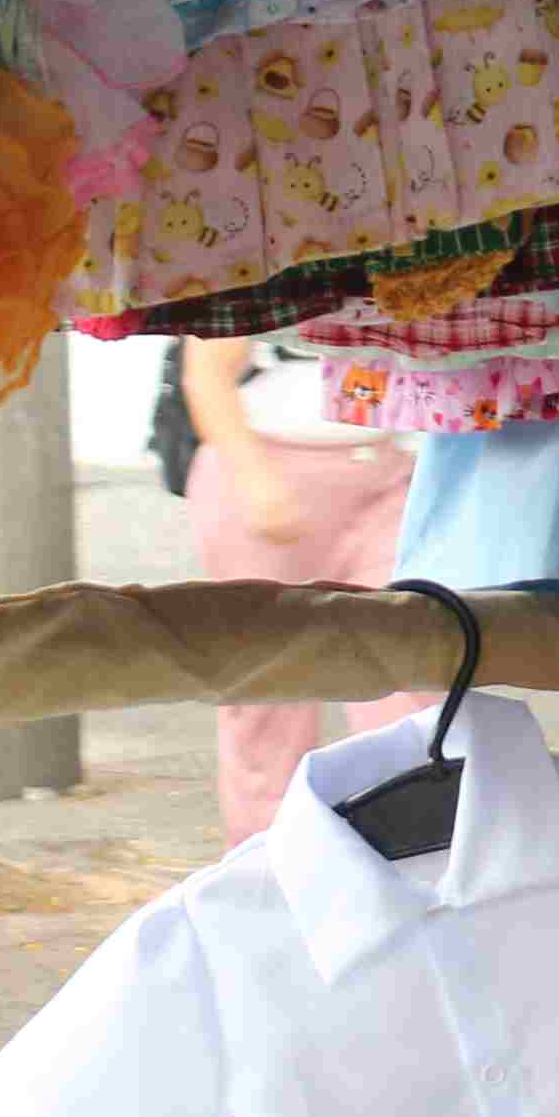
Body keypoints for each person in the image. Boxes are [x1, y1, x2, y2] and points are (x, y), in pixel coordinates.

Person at [175, 334, 427, 844]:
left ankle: (412, 846)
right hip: (267, 470)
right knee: (268, 687)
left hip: (387, 470)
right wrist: (254, 479)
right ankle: (267, 861)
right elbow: (205, 374)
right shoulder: (252, 259)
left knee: (407, 673)